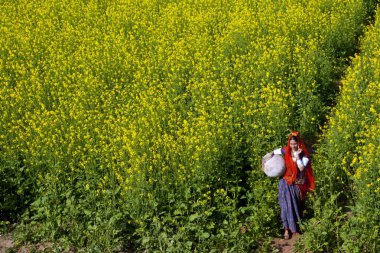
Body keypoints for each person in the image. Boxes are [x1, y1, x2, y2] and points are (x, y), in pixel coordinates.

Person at [271, 131, 315, 240]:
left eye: (295, 144)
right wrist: (265, 161)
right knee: (284, 205)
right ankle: (286, 229)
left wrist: (297, 157)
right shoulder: (285, 150)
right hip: (284, 181)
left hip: (296, 183)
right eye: (291, 144)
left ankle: (295, 227)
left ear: (299, 143)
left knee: (294, 203)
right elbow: (273, 152)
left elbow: (301, 168)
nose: (293, 146)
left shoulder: (304, 155)